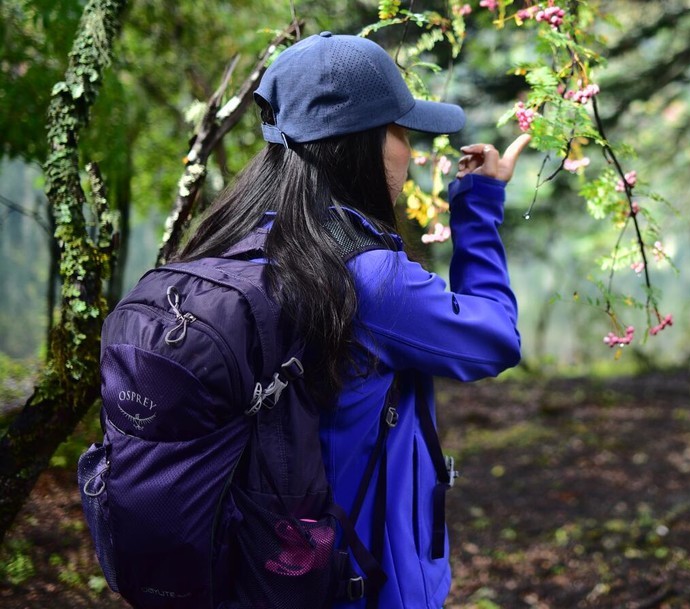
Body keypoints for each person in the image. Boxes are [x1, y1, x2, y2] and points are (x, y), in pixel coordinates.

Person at [176, 31, 527, 609]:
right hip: (356, 586)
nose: (409, 152)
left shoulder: (223, 247)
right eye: (401, 131)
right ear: (361, 144)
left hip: (255, 574)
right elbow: (493, 339)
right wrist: (481, 205)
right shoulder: (369, 279)